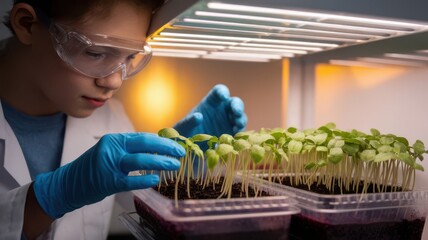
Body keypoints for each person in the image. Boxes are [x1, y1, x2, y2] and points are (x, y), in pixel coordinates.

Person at [0, 0, 248, 239]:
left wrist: (181, 162)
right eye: (95, 52)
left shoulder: (110, 117)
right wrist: (52, 195)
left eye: (130, 58)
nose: (114, 81)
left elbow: (140, 197)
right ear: (27, 24)